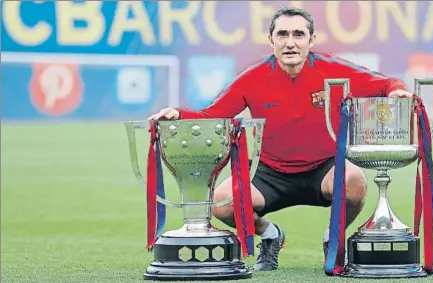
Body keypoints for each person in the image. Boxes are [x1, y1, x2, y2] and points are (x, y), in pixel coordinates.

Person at [148, 6, 413, 271]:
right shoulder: (253, 77)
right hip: (269, 172)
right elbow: (214, 114)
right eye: (282, 34)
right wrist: (178, 113)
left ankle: (333, 239)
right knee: (222, 202)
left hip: (324, 168)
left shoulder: (333, 70)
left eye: (298, 34)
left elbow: (385, 83)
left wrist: (398, 91)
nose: (290, 42)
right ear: (271, 40)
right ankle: (270, 235)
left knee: (355, 181)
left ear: (311, 40)